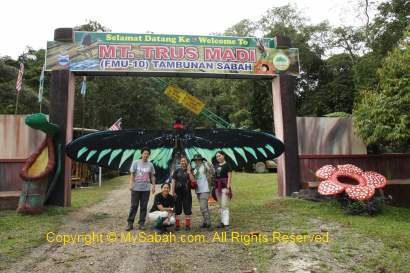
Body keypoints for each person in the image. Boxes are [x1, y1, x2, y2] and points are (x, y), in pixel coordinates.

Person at [126, 147, 156, 231]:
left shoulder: (150, 164)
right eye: (144, 153)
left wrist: (153, 186)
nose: (146, 155)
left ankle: (142, 223)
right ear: (141, 154)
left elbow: (152, 176)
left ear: (149, 155)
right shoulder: (135, 163)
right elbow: (132, 174)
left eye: (147, 154)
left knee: (144, 206)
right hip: (136, 188)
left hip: (146, 189)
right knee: (134, 206)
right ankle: (130, 223)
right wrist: (131, 184)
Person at [171, 156, 195, 231]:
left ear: (187, 162)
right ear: (180, 162)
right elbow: (173, 181)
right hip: (178, 193)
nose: (183, 162)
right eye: (182, 161)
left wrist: (189, 172)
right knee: (177, 209)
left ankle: (187, 225)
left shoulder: (191, 171)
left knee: (187, 209)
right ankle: (177, 225)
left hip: (187, 192)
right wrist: (173, 191)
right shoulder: (177, 171)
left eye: (184, 161)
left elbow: (193, 180)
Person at [192, 154, 214, 230]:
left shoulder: (205, 165)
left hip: (205, 189)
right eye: (195, 160)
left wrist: (210, 166)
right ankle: (205, 222)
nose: (197, 161)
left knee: (203, 207)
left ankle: (209, 224)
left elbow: (212, 172)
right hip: (198, 190)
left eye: (198, 159)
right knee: (204, 207)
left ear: (201, 159)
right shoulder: (195, 168)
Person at [213, 151, 233, 231]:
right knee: (221, 205)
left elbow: (229, 176)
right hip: (217, 187)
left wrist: (228, 187)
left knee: (225, 205)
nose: (218, 157)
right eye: (217, 156)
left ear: (223, 156)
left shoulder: (228, 165)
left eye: (219, 156)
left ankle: (226, 223)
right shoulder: (215, 165)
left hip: (224, 186)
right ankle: (222, 222)